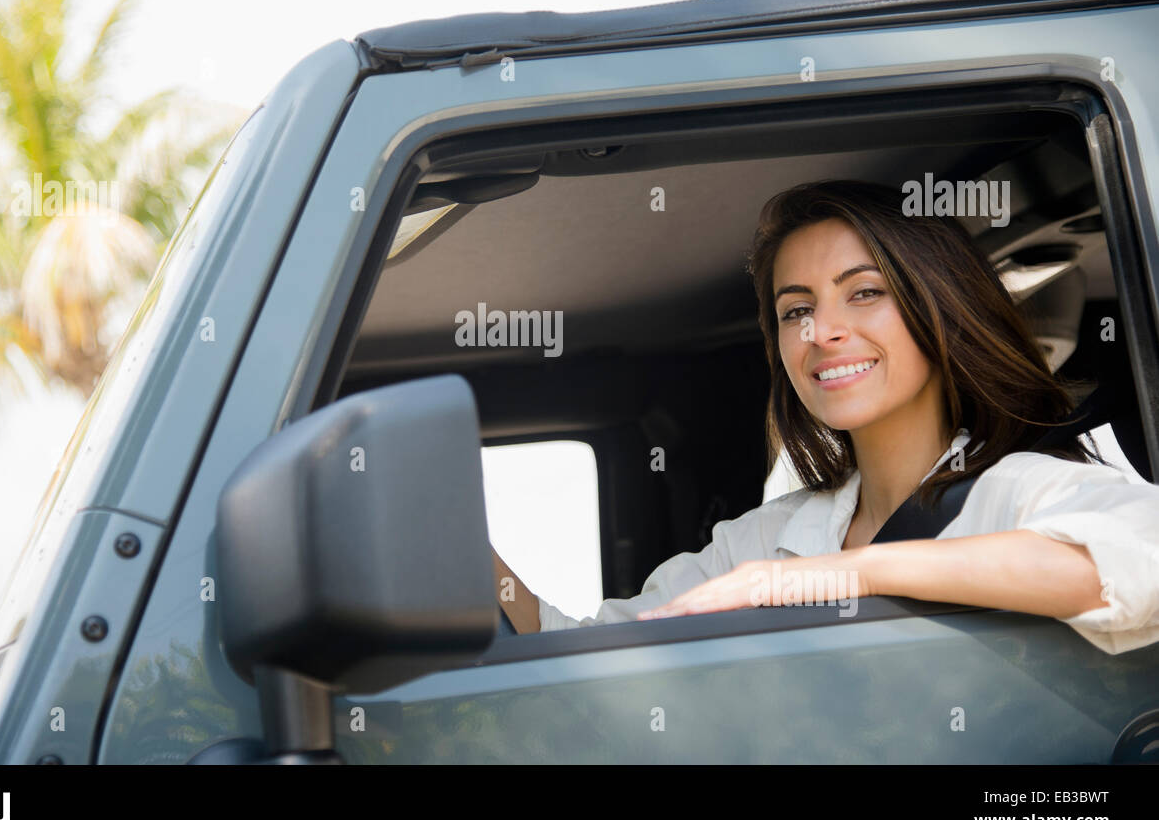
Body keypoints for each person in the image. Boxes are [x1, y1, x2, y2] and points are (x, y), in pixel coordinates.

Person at [493, 179, 1159, 655]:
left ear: (941, 312)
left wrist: (847, 574)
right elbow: (582, 655)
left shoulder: (1016, 490)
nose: (821, 330)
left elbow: (1139, 560)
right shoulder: (765, 541)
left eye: (864, 292)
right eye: (795, 310)